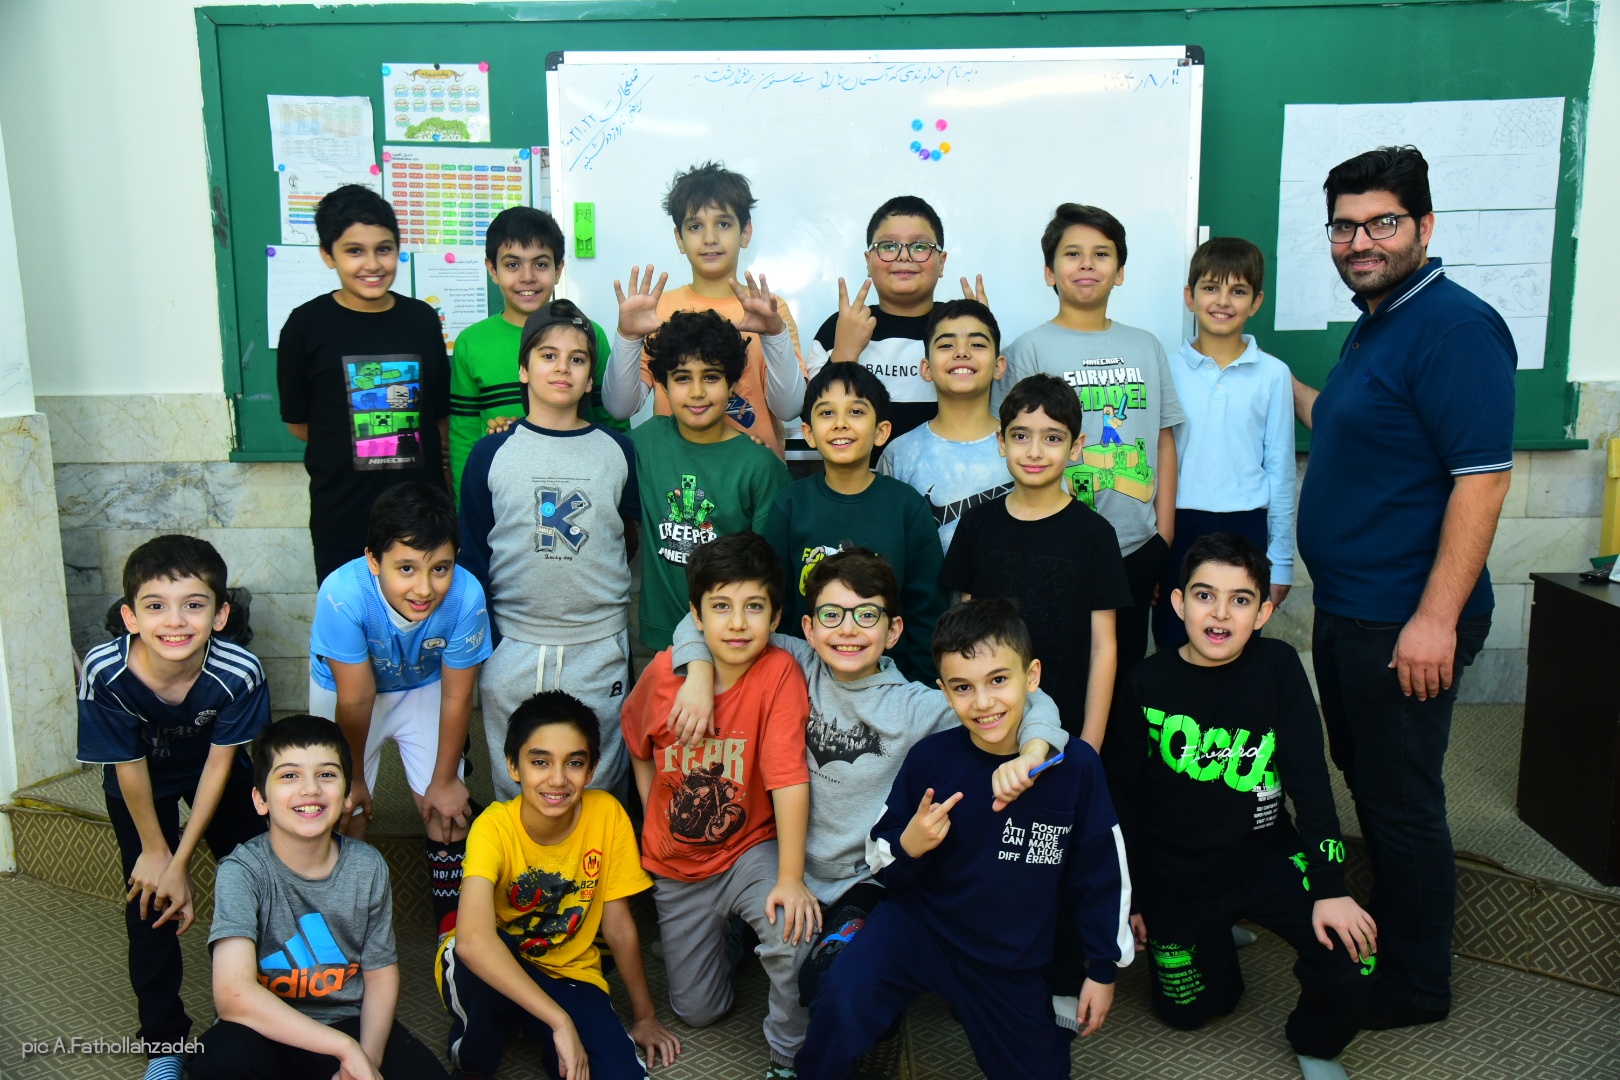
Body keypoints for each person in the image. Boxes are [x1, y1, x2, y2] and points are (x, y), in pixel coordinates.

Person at [1293, 145, 1515, 1029]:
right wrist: (1271, 382)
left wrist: (1434, 619)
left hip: (1404, 622)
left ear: (1423, 225)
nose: (1360, 242)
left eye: (1381, 223)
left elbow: (1482, 480)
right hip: (1355, 610)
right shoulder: (1379, 320)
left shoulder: (1454, 328)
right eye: (1344, 226)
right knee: (1371, 779)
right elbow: (1349, 420)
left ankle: (1417, 986)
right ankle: (1394, 923)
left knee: (1403, 800)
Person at [663, 547, 1069, 1010]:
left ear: (893, 630)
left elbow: (1032, 701)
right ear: (809, 628)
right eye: (832, 615)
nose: (848, 629)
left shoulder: (915, 706)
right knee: (762, 964)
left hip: (863, 879)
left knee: (828, 983)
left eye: (867, 615)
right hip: (782, 863)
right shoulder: (797, 662)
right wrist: (698, 674)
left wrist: (1033, 749)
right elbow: (696, 622)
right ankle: (741, 934)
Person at [794, 599, 1132, 1080]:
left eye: (998, 680)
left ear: (1031, 676)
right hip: (919, 929)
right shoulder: (930, 758)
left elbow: (1102, 874)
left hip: (1008, 958)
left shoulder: (1074, 766)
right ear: (944, 692)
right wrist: (910, 844)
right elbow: (883, 857)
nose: (984, 702)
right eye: (963, 688)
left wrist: (1102, 968)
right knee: (841, 994)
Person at [1105, 533, 1376, 1080]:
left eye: (1241, 599)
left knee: (1356, 957)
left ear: (1263, 613)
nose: (1221, 613)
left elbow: (1311, 783)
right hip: (1175, 874)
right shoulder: (1145, 683)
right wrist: (1131, 896)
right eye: (1204, 595)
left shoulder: (1278, 666)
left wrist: (1330, 888)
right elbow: (1122, 805)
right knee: (1193, 1012)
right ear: (1178, 603)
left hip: (1262, 857)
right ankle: (1215, 934)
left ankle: (1315, 1043)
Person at [619, 532, 819, 1075]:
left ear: (775, 616)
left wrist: (791, 878)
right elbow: (636, 742)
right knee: (698, 1012)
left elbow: (788, 776)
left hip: (749, 850)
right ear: (696, 615)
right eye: (721, 607)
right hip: (678, 866)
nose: (737, 623)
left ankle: (789, 1052)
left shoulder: (778, 672)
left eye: (753, 607)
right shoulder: (665, 674)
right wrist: (651, 809)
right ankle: (729, 938)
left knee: (793, 931)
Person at [77, 535, 270, 1080]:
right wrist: (158, 854)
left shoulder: (239, 671)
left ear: (221, 614)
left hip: (215, 772)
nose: (175, 621)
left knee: (256, 877)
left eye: (194, 604)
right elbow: (128, 765)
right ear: (130, 617)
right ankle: (165, 1044)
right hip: (140, 783)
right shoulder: (104, 671)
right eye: (156, 605)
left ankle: (259, 1011)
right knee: (149, 902)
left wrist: (182, 861)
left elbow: (219, 765)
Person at [189, 715, 448, 1080]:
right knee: (219, 1062)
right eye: (289, 775)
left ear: (347, 795)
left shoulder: (367, 866)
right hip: (264, 1026)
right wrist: (344, 1049)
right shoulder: (242, 871)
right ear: (260, 799)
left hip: (346, 1020)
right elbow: (234, 994)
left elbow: (380, 975)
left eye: (326, 774)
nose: (310, 789)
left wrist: (366, 1060)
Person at [437, 691, 681, 1077]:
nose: (557, 779)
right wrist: (560, 1021)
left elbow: (618, 926)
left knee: (618, 1073)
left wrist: (645, 1015)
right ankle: (493, 1035)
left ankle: (533, 1022)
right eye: (540, 762)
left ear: (592, 769)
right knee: (475, 1049)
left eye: (574, 763)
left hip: (569, 972)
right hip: (495, 967)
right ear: (513, 766)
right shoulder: (493, 827)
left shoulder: (607, 815)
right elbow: (472, 941)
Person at [460, 299, 641, 801]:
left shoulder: (618, 450)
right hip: (515, 644)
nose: (562, 368)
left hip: (597, 645)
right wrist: (486, 644)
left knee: (598, 783)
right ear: (523, 369)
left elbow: (627, 537)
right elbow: (474, 553)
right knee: (518, 783)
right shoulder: (491, 452)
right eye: (548, 355)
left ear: (590, 379)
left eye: (577, 359)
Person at [1002, 202, 1184, 674]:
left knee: (1124, 672)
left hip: (1136, 548)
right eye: (1072, 254)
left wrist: (1163, 537)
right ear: (1049, 272)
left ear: (1119, 272)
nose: (1087, 264)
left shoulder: (1146, 346)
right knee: (1055, 670)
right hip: (1056, 545)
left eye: (1101, 254)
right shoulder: (1028, 349)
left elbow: (1163, 440)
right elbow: (1015, 448)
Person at [307, 481, 492, 934]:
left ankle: (455, 936)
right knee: (341, 809)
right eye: (406, 568)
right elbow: (356, 697)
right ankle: (341, 928)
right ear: (374, 560)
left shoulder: (467, 595)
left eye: (440, 568)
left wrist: (444, 781)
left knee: (447, 812)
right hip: (346, 693)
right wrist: (353, 778)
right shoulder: (341, 593)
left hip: (422, 685)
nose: (424, 588)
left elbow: (458, 696)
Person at [941, 374, 1130, 749]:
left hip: (1067, 730)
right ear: (1001, 441)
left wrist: (1091, 744)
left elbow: (1103, 647)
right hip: (987, 723)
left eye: (1053, 438)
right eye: (1021, 436)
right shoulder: (977, 525)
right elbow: (964, 635)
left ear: (1076, 447)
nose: (1034, 451)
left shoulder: (1095, 535)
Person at [276, 184, 450, 584]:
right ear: (328, 254)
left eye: (383, 249)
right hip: (343, 522)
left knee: (423, 618)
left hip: (422, 520)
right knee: (351, 621)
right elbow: (300, 424)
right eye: (354, 251)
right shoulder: (305, 326)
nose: (372, 264)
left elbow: (437, 417)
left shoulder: (421, 320)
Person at [602, 161, 805, 457]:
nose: (710, 238)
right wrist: (628, 337)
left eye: (723, 224)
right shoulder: (657, 310)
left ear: (745, 232)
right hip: (674, 474)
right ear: (679, 238)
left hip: (754, 475)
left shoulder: (769, 310)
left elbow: (790, 408)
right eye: (695, 226)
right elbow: (620, 407)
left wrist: (774, 335)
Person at [1154, 237, 1297, 651]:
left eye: (1238, 291)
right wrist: (1154, 556)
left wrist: (1281, 561)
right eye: (1211, 287)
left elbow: (1281, 471)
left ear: (1256, 302)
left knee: (1235, 645)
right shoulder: (1165, 369)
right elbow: (1153, 464)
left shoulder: (1273, 374)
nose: (1222, 301)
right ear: (1190, 296)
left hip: (1246, 526)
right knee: (1174, 640)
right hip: (1177, 525)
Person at [765, 361, 946, 682]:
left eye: (856, 411)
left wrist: (919, 689)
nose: (840, 424)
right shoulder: (790, 505)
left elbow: (927, 612)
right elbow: (777, 607)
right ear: (808, 433)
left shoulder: (907, 507)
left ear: (881, 431)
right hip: (805, 684)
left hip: (891, 686)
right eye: (826, 412)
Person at [623, 305, 791, 652]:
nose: (697, 392)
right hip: (663, 641)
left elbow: (771, 572)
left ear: (733, 385)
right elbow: (584, 449)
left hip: (735, 642)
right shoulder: (644, 443)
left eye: (711, 377)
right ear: (664, 386)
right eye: (682, 378)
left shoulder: (760, 466)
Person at [448, 206, 621, 499]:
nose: (527, 277)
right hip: (502, 495)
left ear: (559, 269)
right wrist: (466, 509)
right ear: (492, 270)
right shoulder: (471, 342)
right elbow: (463, 437)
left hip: (581, 492)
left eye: (540, 264)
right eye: (512, 265)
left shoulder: (589, 336)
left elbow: (613, 424)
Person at [806, 195, 985, 443]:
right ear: (868, 261)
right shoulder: (840, 327)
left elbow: (999, 410)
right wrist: (844, 353)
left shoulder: (961, 326)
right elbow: (812, 417)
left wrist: (982, 336)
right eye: (888, 246)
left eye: (920, 246)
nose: (904, 256)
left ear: (942, 262)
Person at [877, 298, 1014, 551]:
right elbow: (887, 546)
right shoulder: (900, 454)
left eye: (977, 344)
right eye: (946, 345)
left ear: (999, 366)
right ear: (926, 368)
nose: (962, 352)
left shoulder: (1024, 446)